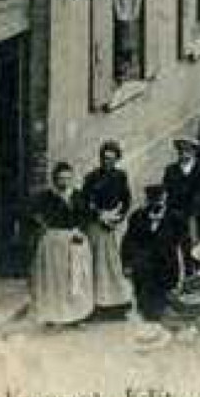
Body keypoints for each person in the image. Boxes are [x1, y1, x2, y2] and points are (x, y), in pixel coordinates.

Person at [29, 163, 93, 328]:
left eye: (67, 178)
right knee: (55, 281)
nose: (63, 182)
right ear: (54, 179)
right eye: (60, 178)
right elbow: (33, 213)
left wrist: (80, 230)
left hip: (75, 239)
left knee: (76, 278)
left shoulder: (79, 196)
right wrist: (43, 226)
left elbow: (86, 216)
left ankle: (77, 316)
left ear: (72, 178)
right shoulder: (46, 197)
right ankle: (55, 315)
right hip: (54, 242)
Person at [79, 140, 134, 319]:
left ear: (117, 159)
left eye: (111, 158)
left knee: (113, 265)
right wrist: (98, 215)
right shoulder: (91, 177)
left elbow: (126, 200)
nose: (107, 161)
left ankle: (116, 305)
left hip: (113, 225)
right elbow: (84, 202)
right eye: (104, 158)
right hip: (96, 225)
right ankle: (95, 305)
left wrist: (118, 217)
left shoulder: (121, 176)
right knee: (96, 264)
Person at [121, 184, 184, 323]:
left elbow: (182, 242)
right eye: (153, 200)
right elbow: (128, 241)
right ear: (148, 200)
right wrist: (127, 264)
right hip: (144, 269)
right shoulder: (137, 216)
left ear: (165, 199)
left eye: (160, 200)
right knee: (145, 306)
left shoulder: (175, 217)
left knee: (165, 305)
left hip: (167, 267)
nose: (157, 203)